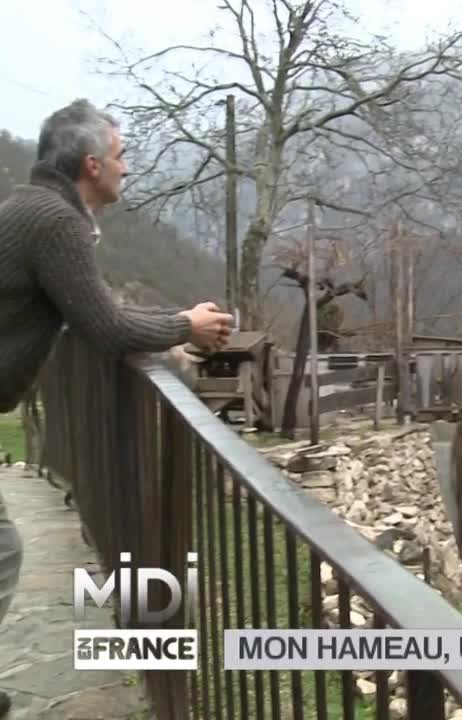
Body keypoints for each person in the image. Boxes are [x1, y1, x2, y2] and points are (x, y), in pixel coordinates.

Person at [0, 99, 232, 716]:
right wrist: (186, 323)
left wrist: (177, 323)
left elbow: (97, 312)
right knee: (2, 551)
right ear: (92, 163)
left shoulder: (36, 209)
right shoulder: (55, 221)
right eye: (123, 156)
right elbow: (106, 326)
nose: (129, 169)